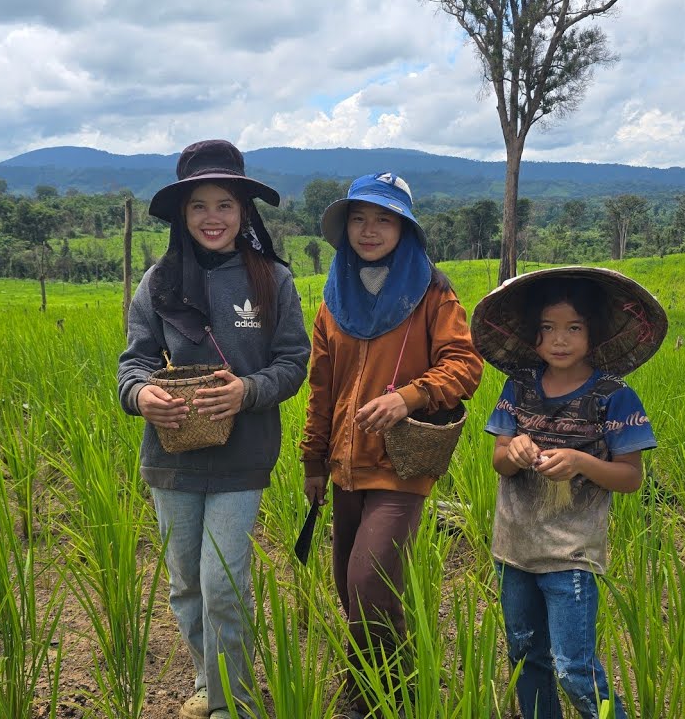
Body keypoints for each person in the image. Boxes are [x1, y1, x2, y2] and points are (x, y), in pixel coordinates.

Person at [117, 139, 311, 719]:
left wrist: (246, 391)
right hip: (171, 456)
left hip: (242, 456)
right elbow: (134, 363)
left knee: (223, 582)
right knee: (185, 585)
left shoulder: (272, 280)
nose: (212, 217)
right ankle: (210, 680)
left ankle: (235, 703)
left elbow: (293, 361)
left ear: (244, 212)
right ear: (183, 214)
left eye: (224, 204)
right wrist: (142, 395)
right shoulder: (158, 283)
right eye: (199, 205)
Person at [300, 172, 483, 717]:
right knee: (347, 585)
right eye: (359, 218)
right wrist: (313, 460)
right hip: (344, 465)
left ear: (405, 228)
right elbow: (321, 386)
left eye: (384, 219)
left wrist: (409, 396)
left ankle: (386, 696)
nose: (370, 230)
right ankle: (373, 683)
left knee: (369, 580)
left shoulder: (433, 292)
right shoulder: (335, 297)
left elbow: (465, 364)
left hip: (401, 465)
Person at [470, 267, 668, 719]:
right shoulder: (518, 388)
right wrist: (515, 449)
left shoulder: (612, 397)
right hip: (514, 549)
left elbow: (631, 477)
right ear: (534, 336)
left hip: (571, 555)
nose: (559, 340)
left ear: (592, 333)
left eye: (573, 328)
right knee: (525, 657)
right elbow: (499, 459)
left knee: (573, 668)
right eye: (548, 329)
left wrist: (579, 462)